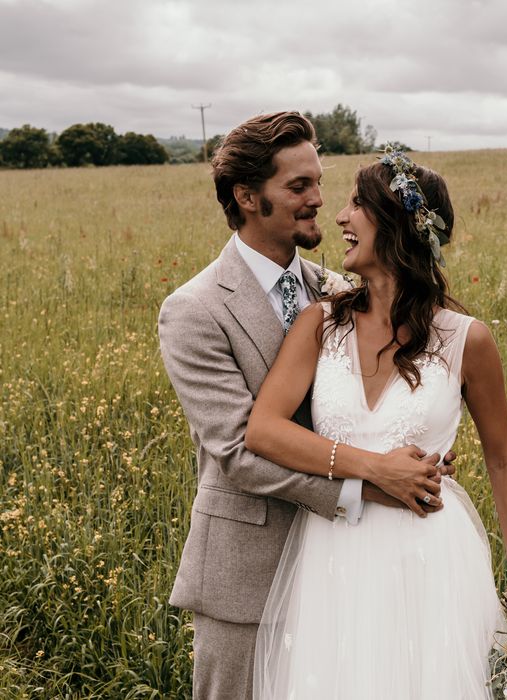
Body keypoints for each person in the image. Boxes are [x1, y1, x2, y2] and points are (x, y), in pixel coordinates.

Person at [158, 113, 452, 700]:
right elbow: (239, 450)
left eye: (319, 182)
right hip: (246, 577)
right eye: (298, 187)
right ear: (247, 197)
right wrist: (373, 483)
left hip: (346, 575)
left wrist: (419, 453)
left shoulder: (340, 292)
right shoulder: (194, 310)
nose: (319, 200)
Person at [245, 146, 507, 699]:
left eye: (356, 203)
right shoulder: (321, 323)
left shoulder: (466, 339)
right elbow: (264, 429)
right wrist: (373, 471)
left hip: (429, 555)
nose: (338, 216)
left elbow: (503, 457)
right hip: (333, 553)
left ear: (398, 224)